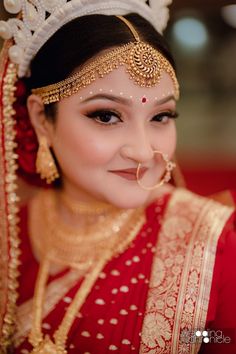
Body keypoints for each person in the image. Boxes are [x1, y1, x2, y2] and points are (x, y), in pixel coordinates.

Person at [0, 1, 236, 353]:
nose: (143, 152)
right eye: (107, 116)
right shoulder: (10, 236)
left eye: (161, 116)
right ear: (40, 118)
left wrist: (191, 337)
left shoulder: (213, 243)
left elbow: (222, 340)